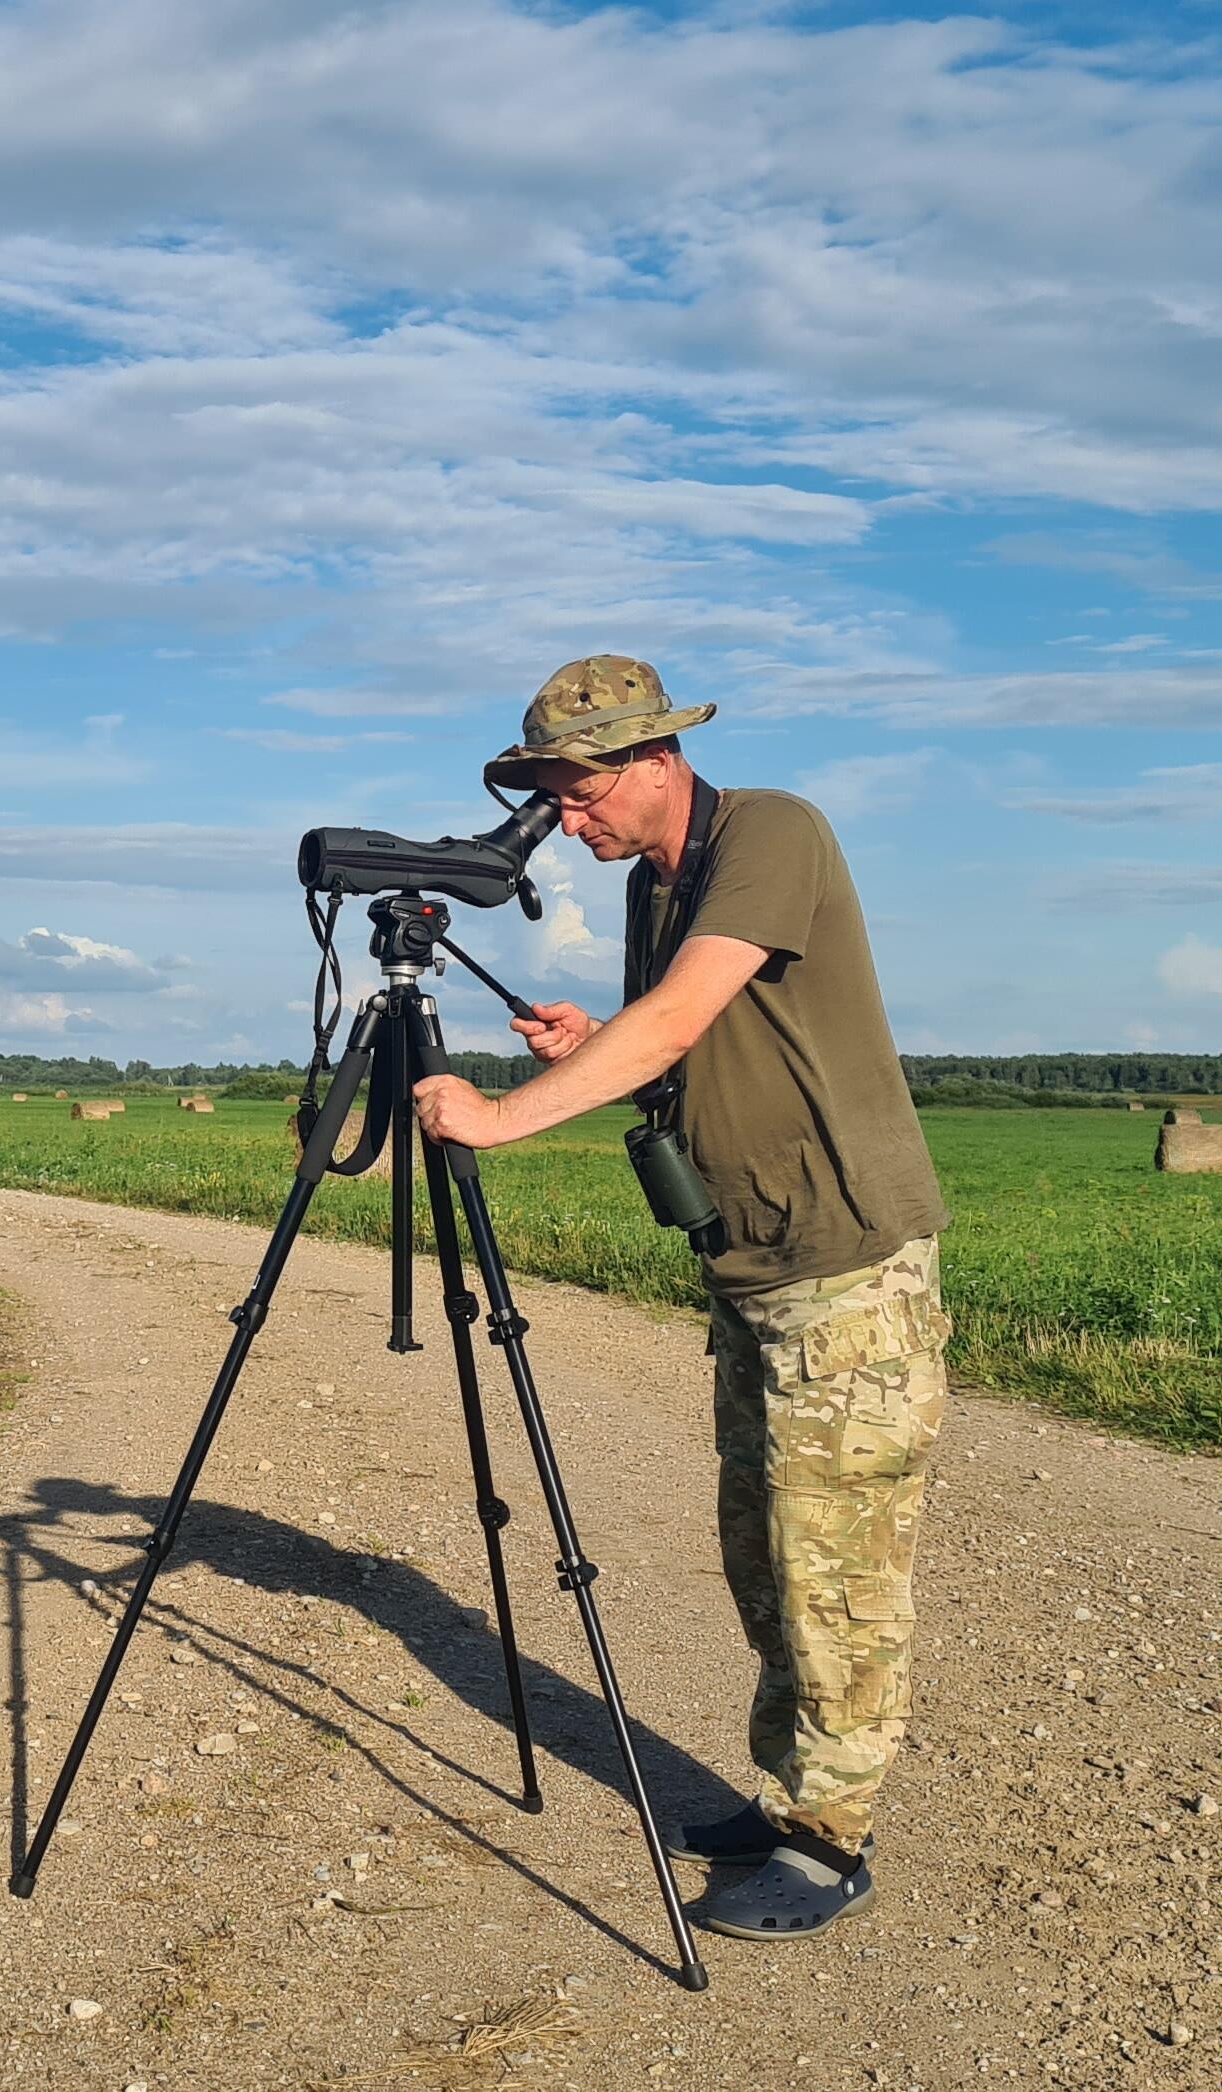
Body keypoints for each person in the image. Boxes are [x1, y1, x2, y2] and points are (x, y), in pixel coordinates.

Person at [410, 653, 950, 1944]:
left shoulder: (772, 832)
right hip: (753, 1269)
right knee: (764, 1554)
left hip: (845, 1270)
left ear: (658, 759)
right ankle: (788, 1799)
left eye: (579, 791)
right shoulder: (659, 885)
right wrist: (588, 1048)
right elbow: (679, 1050)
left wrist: (497, 1119)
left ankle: (832, 1838)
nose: (568, 819)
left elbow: (678, 1020)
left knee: (838, 1569)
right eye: (549, 795)